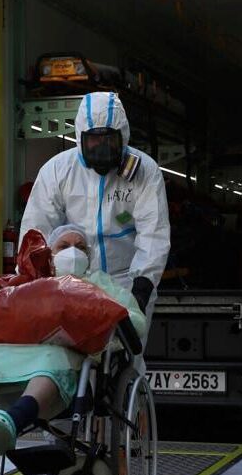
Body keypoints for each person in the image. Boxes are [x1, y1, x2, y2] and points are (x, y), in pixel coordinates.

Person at [0, 224, 146, 462]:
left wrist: (99, 315)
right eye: (64, 246)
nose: (73, 252)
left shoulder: (101, 285)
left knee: (50, 357)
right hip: (11, 354)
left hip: (65, 359)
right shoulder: (30, 281)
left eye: (80, 247)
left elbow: (133, 321)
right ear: (50, 253)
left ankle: (13, 421)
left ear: (89, 255)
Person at [21, 90, 171, 316]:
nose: (101, 147)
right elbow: (37, 230)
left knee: (126, 349)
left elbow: (154, 233)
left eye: (109, 139)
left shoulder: (144, 171)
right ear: (81, 137)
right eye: (94, 139)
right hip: (70, 282)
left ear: (123, 136)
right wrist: (34, 281)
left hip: (127, 282)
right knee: (71, 349)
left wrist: (142, 288)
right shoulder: (58, 170)